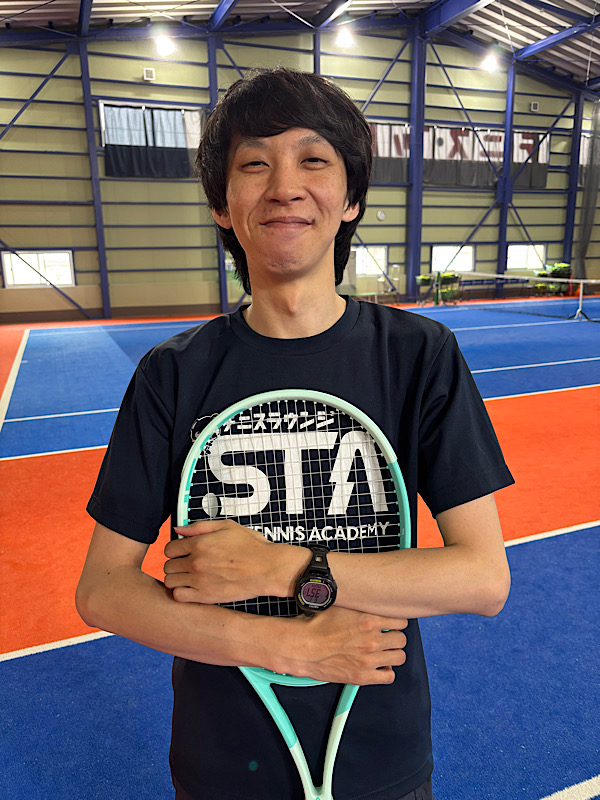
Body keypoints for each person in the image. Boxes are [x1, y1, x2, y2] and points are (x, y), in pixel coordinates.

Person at [76, 67, 513, 800]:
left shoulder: (420, 356)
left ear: (351, 198)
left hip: (382, 763)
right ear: (222, 206)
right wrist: (287, 645)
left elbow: (483, 578)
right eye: (255, 164)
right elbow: (102, 590)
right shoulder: (172, 374)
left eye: (314, 160)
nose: (285, 186)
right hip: (220, 766)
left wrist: (284, 568)